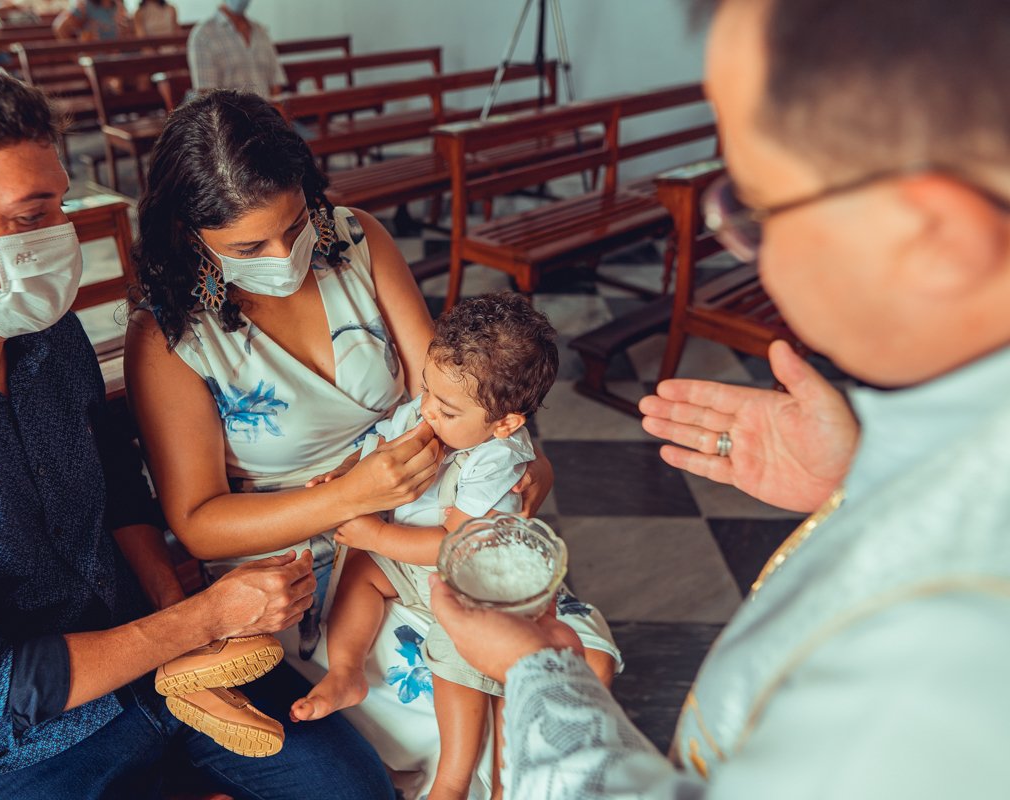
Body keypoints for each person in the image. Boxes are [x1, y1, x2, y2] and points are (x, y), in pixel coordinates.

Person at [430, 0, 1010, 797]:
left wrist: (537, 671)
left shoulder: (954, 647)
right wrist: (856, 485)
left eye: (753, 206)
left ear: (934, 236)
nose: (741, 243)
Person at [0, 63, 393, 800]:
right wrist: (204, 615)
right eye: (30, 217)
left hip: (159, 665)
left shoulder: (46, 337)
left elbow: (118, 488)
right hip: (7, 753)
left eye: (60, 206)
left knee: (352, 788)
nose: (63, 237)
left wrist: (186, 626)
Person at [124, 88, 554, 799]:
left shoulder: (355, 240)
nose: (285, 255)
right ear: (189, 234)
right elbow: (198, 523)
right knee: (447, 700)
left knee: (530, 660)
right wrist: (354, 499)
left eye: (294, 224)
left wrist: (522, 454)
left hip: (420, 508)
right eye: (247, 248)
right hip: (296, 562)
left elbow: (444, 385)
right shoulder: (171, 338)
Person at [290, 292, 620, 800]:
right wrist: (343, 476)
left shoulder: (497, 459)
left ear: (505, 422)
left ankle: (455, 781)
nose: (426, 411)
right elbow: (379, 444)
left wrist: (374, 533)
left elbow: (452, 546)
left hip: (472, 584)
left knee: (455, 659)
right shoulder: (431, 413)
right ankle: (346, 672)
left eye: (445, 409)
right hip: (413, 564)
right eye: (426, 391)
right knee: (363, 574)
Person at [186, 0, 286, 98]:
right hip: (231, 113)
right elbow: (208, 95)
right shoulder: (203, 35)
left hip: (267, 111)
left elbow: (276, 81)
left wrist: (272, 111)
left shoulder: (260, 31)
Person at [53, 0, 127, 41]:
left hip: (116, 55)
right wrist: (76, 56)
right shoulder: (85, 5)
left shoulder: (118, 5)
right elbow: (60, 27)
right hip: (93, 58)